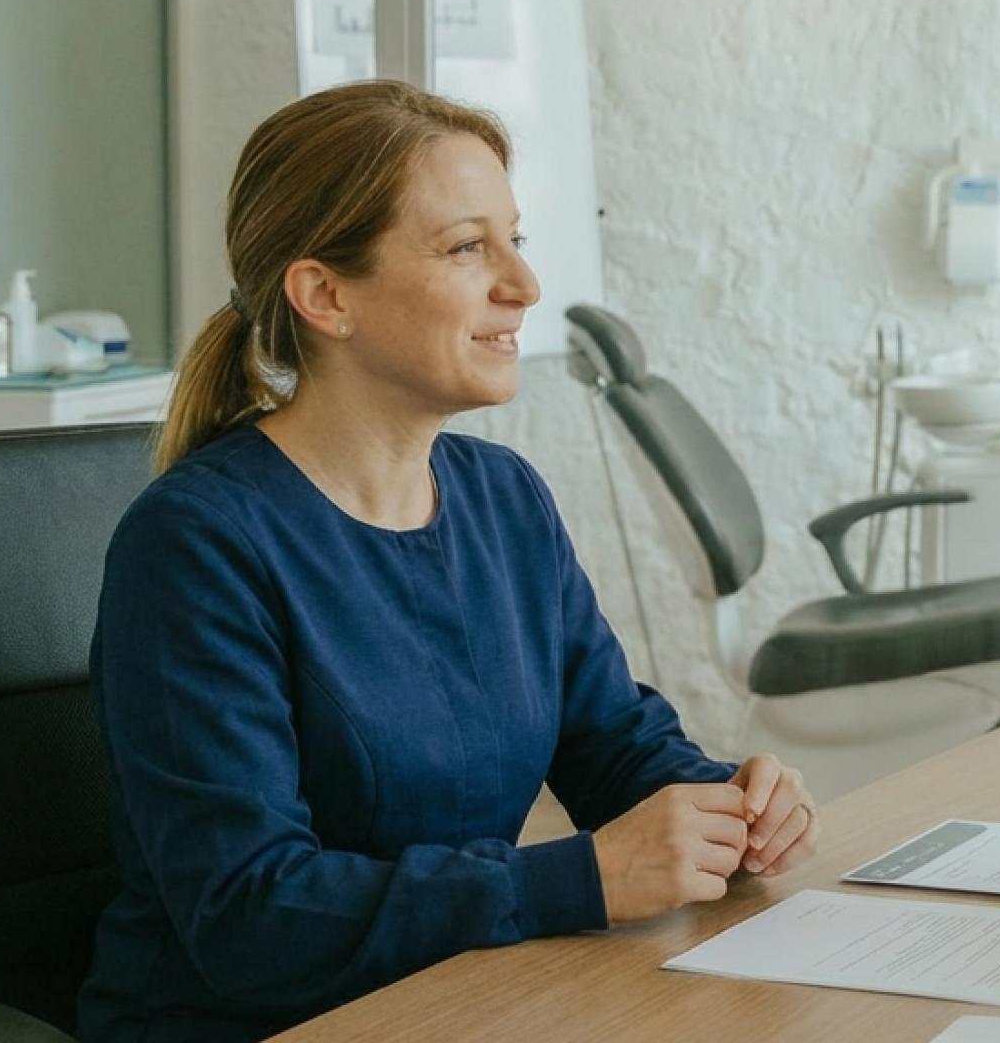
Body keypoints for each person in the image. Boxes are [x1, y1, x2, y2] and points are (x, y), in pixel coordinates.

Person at [80, 81, 821, 1042]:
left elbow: (614, 748)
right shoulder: (197, 545)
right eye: (469, 248)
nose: (524, 284)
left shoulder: (503, 498)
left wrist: (733, 807)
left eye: (516, 239)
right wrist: (581, 876)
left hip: (450, 1006)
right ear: (325, 295)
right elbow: (250, 916)